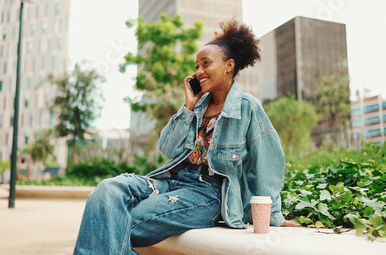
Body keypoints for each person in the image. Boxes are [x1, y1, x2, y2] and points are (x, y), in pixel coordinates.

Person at [73, 19, 299, 255]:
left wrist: (272, 215)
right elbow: (167, 149)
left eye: (206, 63)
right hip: (170, 182)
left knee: (121, 223)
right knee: (107, 190)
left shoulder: (248, 108)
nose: (198, 71)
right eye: (197, 65)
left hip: (208, 194)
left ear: (229, 66)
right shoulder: (196, 107)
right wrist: (188, 108)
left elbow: (268, 165)